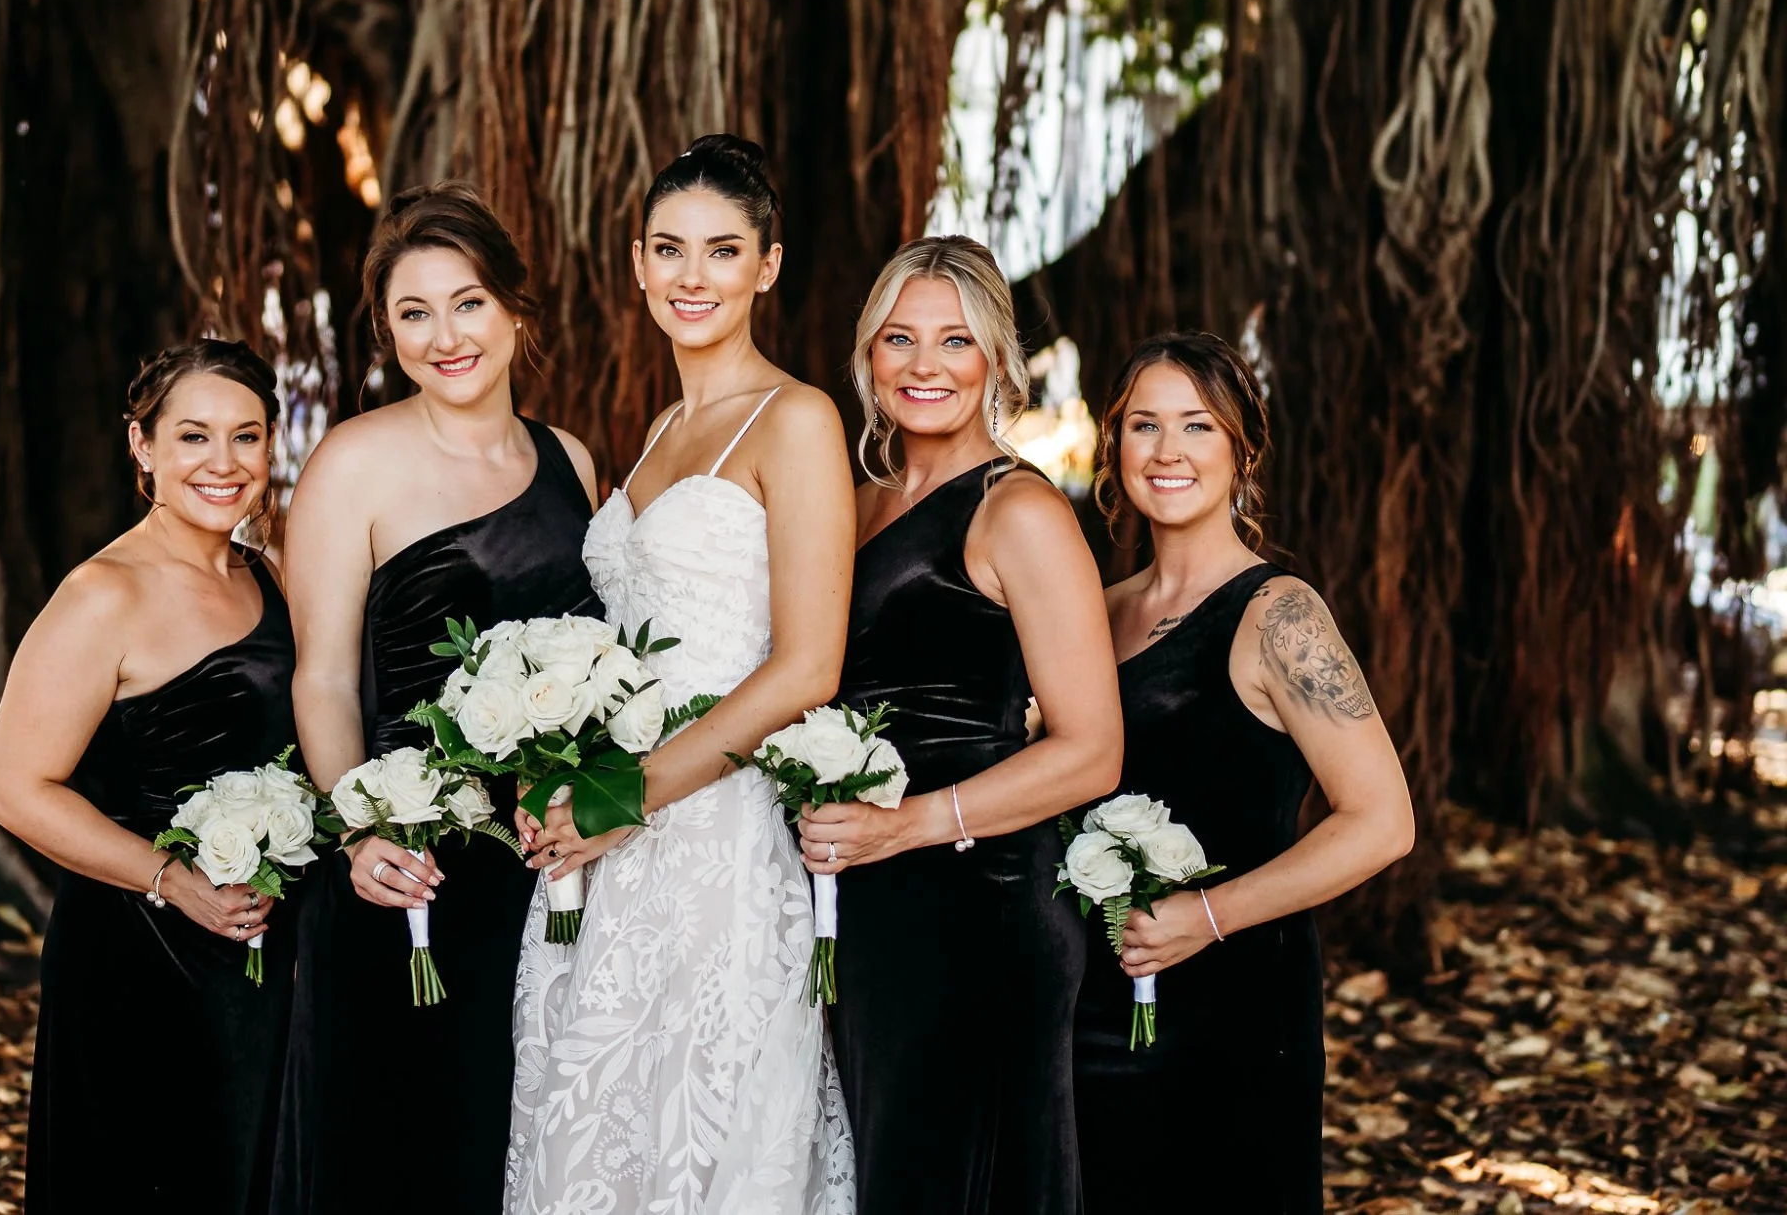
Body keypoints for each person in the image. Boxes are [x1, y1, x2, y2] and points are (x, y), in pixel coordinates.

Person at [507, 135, 856, 1213]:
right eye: (667, 249)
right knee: (594, 1123)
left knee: (700, 1128)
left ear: (768, 266)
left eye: (720, 250)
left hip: (715, 824)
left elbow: (805, 663)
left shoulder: (794, 419)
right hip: (609, 829)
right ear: (636, 262)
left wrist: (628, 796)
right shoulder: (659, 428)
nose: (689, 276)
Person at [267, 183, 601, 1214]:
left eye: (466, 304)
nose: (444, 336)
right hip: (407, 869)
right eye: (413, 313)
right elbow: (320, 674)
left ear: (515, 310)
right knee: (404, 1148)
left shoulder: (571, 461)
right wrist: (361, 828)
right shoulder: (352, 464)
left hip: (549, 867)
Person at [796, 235, 1121, 1214]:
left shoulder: (1017, 510)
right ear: (867, 358)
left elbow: (1090, 748)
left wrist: (906, 823)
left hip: (975, 901)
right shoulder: (847, 505)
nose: (923, 365)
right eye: (899, 338)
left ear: (993, 360)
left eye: (953, 340)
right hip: (859, 903)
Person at [1074, 331, 1414, 1214]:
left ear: (1242, 449)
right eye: (1144, 425)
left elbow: (1381, 820)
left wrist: (1207, 916)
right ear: (1114, 445)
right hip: (1088, 1000)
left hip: (1233, 1007)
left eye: (1198, 426)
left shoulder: (1279, 615)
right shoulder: (1095, 613)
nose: (1168, 451)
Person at [0, 341, 295, 1214]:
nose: (224, 463)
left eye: (247, 436)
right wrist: (172, 880)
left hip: (256, 950)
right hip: (137, 950)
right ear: (142, 445)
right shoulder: (102, 593)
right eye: (193, 436)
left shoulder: (260, 572)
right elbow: (15, 786)